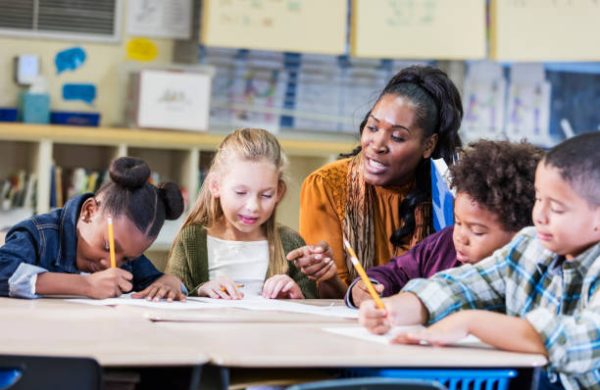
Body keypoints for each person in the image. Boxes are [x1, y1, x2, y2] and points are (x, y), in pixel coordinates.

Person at [359, 132, 600, 390]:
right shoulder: (530, 246)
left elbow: (573, 342)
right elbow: (462, 286)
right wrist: (395, 309)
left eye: (556, 208)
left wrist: (470, 322)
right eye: (539, 199)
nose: (539, 215)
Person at [287, 65, 463, 298]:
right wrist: (330, 277)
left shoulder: (446, 195)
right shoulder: (327, 185)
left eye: (398, 137)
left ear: (428, 145)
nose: (377, 144)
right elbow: (326, 300)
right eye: (372, 127)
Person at [347, 140, 542, 308]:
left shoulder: (529, 275)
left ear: (521, 234)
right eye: (458, 222)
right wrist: (367, 287)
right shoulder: (442, 245)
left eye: (477, 231)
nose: (460, 237)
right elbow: (396, 272)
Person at [0, 156, 186, 301]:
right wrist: (85, 284)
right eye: (107, 246)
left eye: (127, 258)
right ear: (89, 211)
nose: (111, 264)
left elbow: (155, 280)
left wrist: (169, 282)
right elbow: (4, 270)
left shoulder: (125, 256)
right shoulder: (39, 235)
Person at [166, 128, 317, 299]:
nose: (253, 206)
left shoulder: (291, 242)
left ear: (279, 192)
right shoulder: (191, 239)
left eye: (266, 195)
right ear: (215, 185)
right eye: (240, 192)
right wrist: (201, 291)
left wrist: (297, 296)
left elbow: (313, 303)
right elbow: (172, 294)